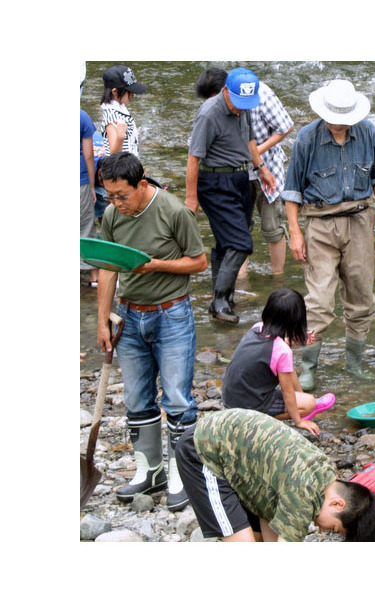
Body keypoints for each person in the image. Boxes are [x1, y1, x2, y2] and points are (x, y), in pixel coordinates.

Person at [97, 152, 207, 511]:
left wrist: (156, 265)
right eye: (109, 195)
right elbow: (109, 268)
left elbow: (200, 261)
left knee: (177, 397)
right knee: (136, 398)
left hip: (172, 314)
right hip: (129, 317)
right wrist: (102, 319)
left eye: (121, 196)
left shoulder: (174, 211)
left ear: (141, 185)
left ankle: (183, 472)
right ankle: (150, 469)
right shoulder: (113, 215)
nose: (115, 204)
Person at [282, 79, 375, 391]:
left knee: (360, 294)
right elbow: (292, 191)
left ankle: (354, 362)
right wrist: (295, 233)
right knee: (319, 298)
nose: (338, 124)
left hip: (359, 220)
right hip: (319, 223)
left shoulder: (368, 132)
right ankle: (309, 366)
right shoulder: (307, 138)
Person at [175, 408, 375, 541]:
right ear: (337, 504)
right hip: (203, 450)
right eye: (333, 529)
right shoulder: (304, 496)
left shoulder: (324, 471)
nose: (321, 530)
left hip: (237, 456)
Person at [185, 67, 276, 324]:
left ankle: (224, 298)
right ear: (226, 91)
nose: (240, 108)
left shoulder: (244, 108)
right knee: (241, 243)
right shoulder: (208, 114)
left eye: (245, 104)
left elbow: (249, 141)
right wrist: (191, 198)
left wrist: (261, 168)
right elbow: (193, 158)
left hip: (240, 177)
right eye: (237, 103)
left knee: (229, 240)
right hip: (214, 181)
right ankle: (220, 301)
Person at [222, 287, 336, 435]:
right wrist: (299, 421)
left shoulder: (257, 328)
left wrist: (296, 341)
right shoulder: (282, 350)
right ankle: (298, 411)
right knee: (309, 403)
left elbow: (275, 348)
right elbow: (287, 392)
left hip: (230, 398)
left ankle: (301, 396)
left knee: (289, 368)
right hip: (248, 407)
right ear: (297, 320)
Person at [247, 77, 294, 275]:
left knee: (273, 226)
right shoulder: (219, 98)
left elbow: (286, 126)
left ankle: (278, 276)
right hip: (236, 172)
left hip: (269, 169)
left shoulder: (262, 93)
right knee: (239, 227)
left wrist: (257, 152)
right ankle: (241, 279)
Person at [99, 65, 147, 156]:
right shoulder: (112, 117)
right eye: (129, 91)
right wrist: (120, 137)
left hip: (128, 164)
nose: (133, 94)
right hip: (120, 168)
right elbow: (114, 154)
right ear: (115, 91)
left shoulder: (120, 108)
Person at [80, 107, 99, 286]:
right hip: (80, 180)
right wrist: (92, 186)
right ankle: (94, 278)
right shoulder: (81, 116)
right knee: (86, 227)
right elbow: (88, 155)